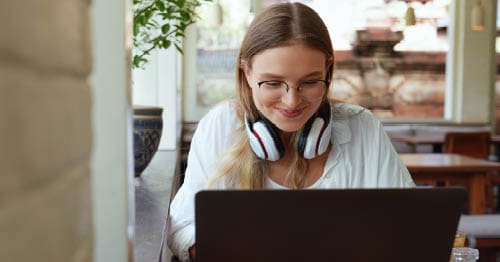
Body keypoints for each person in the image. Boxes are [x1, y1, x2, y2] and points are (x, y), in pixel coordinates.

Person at [167, 2, 415, 261]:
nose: (292, 101)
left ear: (328, 70)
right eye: (273, 82)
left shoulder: (363, 128)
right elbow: (183, 226)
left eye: (309, 82)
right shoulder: (221, 126)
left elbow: (409, 226)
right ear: (247, 72)